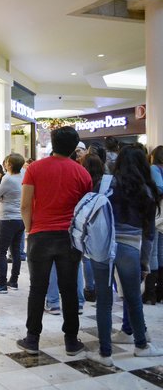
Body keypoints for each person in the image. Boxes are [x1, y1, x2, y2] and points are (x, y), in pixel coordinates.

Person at [16, 126, 91, 356]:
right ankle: (70, 341)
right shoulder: (82, 173)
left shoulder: (35, 168)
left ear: (53, 143)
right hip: (69, 238)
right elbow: (84, 211)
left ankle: (32, 340)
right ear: (74, 147)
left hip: (40, 235)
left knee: (37, 289)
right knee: (68, 289)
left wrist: (31, 230)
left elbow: (25, 204)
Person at [86, 145, 163, 366]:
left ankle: (105, 353)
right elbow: (148, 234)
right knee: (133, 299)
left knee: (104, 300)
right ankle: (141, 345)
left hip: (103, 246)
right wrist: (145, 263)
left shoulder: (105, 183)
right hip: (130, 248)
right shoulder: (147, 191)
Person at [0, 153, 25, 294]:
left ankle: (2, 283)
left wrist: (3, 197)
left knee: (1, 251)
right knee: (15, 251)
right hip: (20, 219)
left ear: (10, 164)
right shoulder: (22, 176)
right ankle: (13, 280)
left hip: (8, 218)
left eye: (7, 161)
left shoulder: (7, 179)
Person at [80, 153, 105, 302]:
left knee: (86, 258)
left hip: (87, 221)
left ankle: (90, 289)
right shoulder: (106, 181)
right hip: (103, 223)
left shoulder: (85, 181)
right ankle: (101, 286)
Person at [143, 145, 163, 304]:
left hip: (157, 215)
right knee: (161, 253)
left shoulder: (154, 169)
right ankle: (159, 291)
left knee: (153, 254)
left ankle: (150, 294)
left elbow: (159, 187)